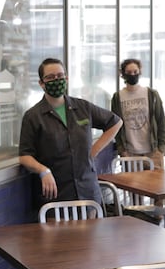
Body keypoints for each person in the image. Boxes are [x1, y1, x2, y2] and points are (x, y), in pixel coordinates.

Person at [19, 58, 123, 209]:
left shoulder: (82, 107)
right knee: (58, 233)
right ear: (41, 83)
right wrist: (43, 171)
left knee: (90, 233)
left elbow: (115, 122)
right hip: (55, 194)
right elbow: (24, 156)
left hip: (87, 190)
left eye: (60, 76)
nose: (57, 80)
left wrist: (94, 150)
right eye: (50, 77)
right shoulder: (33, 116)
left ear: (66, 79)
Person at [111, 58, 165, 170]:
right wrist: (122, 150)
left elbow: (161, 121)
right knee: (131, 186)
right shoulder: (117, 98)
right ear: (123, 74)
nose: (132, 75)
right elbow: (115, 125)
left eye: (135, 72)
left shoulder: (152, 95)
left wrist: (160, 149)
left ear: (140, 72)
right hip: (130, 153)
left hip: (153, 152)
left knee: (156, 186)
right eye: (129, 72)